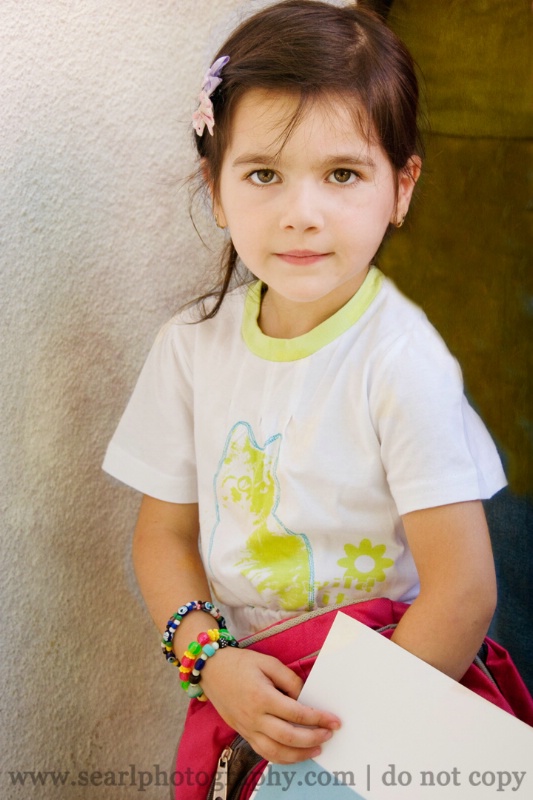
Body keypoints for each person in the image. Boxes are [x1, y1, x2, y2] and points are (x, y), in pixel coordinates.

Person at [103, 0, 507, 771]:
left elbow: (462, 594)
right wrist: (210, 661)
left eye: (343, 174)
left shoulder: (402, 364)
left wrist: (331, 743)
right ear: (216, 189)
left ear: (401, 187)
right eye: (263, 174)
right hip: (250, 698)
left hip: (393, 698)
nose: (302, 214)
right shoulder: (189, 349)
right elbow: (163, 535)